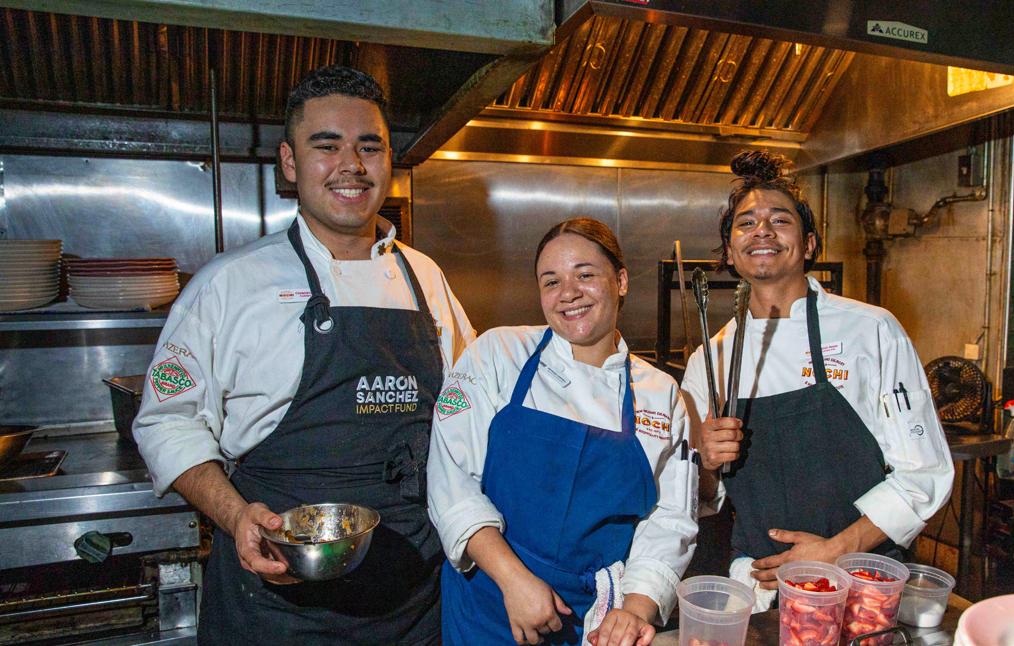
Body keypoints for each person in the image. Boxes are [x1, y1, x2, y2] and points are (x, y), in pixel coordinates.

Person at [133, 66, 475, 644]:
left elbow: (468, 402)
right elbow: (168, 421)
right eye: (327, 146)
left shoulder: (426, 278)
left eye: (369, 147)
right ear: (290, 163)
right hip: (278, 600)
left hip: (414, 598)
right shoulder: (230, 285)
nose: (352, 165)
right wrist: (236, 516)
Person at [681, 151, 953, 604]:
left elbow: (924, 473)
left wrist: (835, 551)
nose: (762, 230)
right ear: (729, 251)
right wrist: (706, 463)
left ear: (808, 245)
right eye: (746, 223)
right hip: (760, 589)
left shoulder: (871, 330)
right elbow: (704, 496)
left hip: (862, 579)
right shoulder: (710, 359)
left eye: (780, 220)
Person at [428, 218, 698, 646]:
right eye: (551, 281)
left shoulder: (659, 393)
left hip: (596, 621)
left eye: (585, 275)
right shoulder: (498, 355)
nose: (568, 293)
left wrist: (635, 609)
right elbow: (451, 481)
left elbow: (669, 519)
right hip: (489, 600)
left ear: (621, 281)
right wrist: (514, 580)